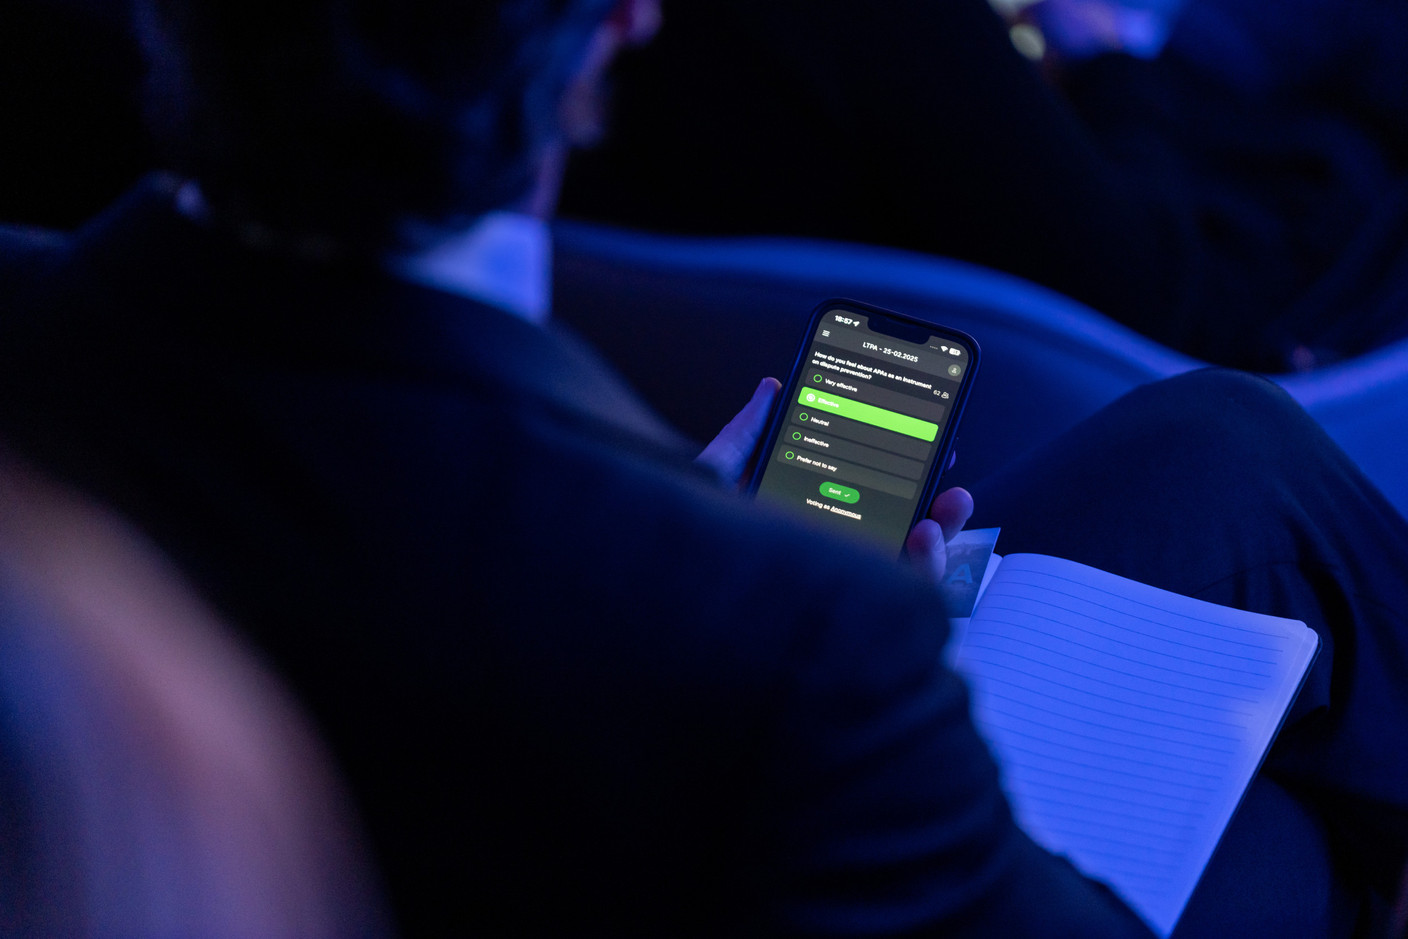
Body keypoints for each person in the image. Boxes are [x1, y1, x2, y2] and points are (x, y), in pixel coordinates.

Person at [0, 0, 1405, 934]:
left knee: (1215, 445)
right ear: (614, 31)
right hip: (759, 839)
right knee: (1288, 837)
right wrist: (788, 611)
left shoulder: (31, 326)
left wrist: (677, 525)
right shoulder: (781, 629)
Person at [558, 0, 1408, 372]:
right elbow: (1146, 290)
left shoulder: (504, 61)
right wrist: (1116, 66)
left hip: (705, 374)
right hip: (1216, 307)